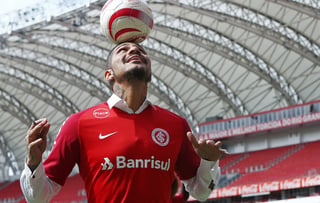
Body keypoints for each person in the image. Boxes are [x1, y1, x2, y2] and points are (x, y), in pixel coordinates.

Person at [20, 41, 228, 202]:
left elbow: (200, 193)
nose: (135, 51)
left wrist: (209, 162)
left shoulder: (175, 124)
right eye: (123, 50)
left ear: (149, 71)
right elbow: (38, 198)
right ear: (109, 74)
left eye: (140, 51)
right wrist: (33, 163)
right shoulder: (79, 123)